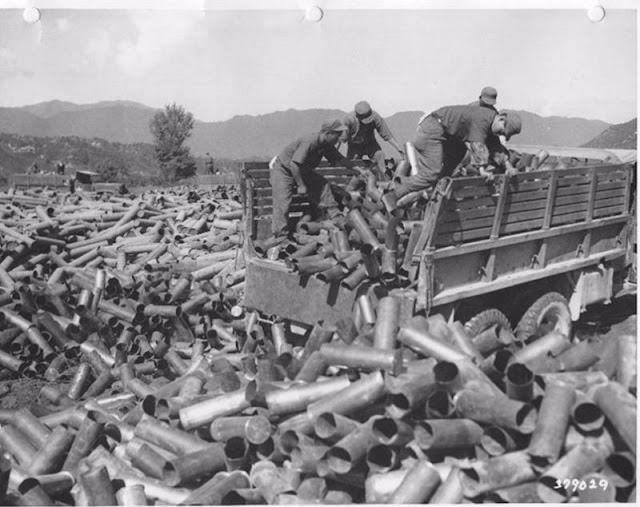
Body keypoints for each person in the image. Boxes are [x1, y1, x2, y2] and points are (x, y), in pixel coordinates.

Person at [383, 104, 522, 211]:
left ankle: (435, 197)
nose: (501, 135)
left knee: (452, 162)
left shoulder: (491, 122)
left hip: (448, 135)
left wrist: (508, 165)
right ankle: (394, 193)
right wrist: (482, 170)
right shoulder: (483, 118)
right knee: (432, 173)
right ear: (501, 118)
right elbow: (477, 144)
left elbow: (495, 146)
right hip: (432, 130)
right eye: (503, 131)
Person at [270, 119, 353, 237]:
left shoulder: (326, 144)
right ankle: (280, 236)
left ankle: (336, 218)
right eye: (337, 134)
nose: (339, 138)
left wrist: (357, 170)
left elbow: (340, 159)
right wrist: (301, 185)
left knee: (323, 185)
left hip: (302, 171)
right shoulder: (310, 141)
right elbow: (294, 164)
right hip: (285, 171)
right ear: (328, 133)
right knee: (283, 203)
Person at [342, 101, 404, 179]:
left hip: (370, 144)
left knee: (380, 155)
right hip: (354, 146)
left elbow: (386, 134)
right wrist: (344, 136)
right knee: (352, 166)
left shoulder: (375, 117)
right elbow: (342, 138)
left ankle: (384, 181)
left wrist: (399, 149)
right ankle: (351, 183)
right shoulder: (349, 119)